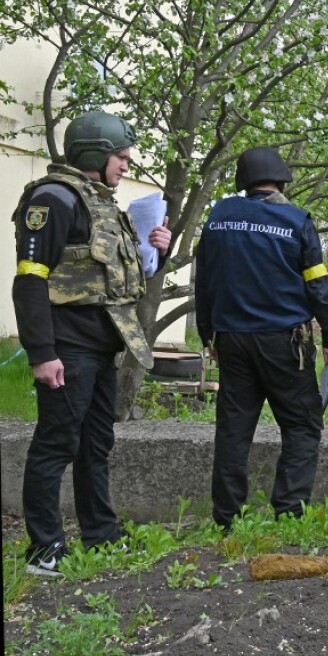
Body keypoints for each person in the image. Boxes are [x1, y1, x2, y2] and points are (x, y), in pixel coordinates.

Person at [12, 110, 172, 575]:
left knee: (95, 443)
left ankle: (101, 534)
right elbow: (30, 280)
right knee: (56, 444)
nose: (126, 164)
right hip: (67, 347)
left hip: (103, 348)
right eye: (119, 156)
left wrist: (157, 251)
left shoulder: (102, 203)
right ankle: (44, 549)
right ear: (94, 153)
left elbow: (120, 276)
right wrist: (42, 353)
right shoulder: (54, 198)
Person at [195, 146, 328, 531]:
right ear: (282, 181)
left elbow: (205, 279)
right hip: (284, 344)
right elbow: (318, 286)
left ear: (244, 182)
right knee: (301, 425)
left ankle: (227, 518)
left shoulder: (219, 217)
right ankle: (289, 513)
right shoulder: (296, 221)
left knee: (233, 430)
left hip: (231, 341)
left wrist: (208, 335)